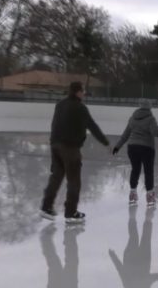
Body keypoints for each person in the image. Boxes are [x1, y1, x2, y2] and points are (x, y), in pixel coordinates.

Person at [40, 81, 110, 224]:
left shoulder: (60, 105)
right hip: (70, 148)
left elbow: (54, 124)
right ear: (78, 92)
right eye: (83, 91)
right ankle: (71, 212)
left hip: (55, 145)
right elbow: (92, 126)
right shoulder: (80, 108)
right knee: (74, 181)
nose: (84, 93)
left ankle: (46, 207)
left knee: (56, 176)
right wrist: (105, 142)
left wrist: (53, 142)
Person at [112, 98, 158, 207]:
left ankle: (132, 194)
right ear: (149, 107)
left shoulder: (132, 118)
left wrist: (117, 146)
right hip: (146, 148)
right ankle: (149, 197)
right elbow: (156, 133)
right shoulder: (150, 118)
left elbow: (125, 134)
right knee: (148, 171)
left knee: (135, 170)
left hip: (132, 147)